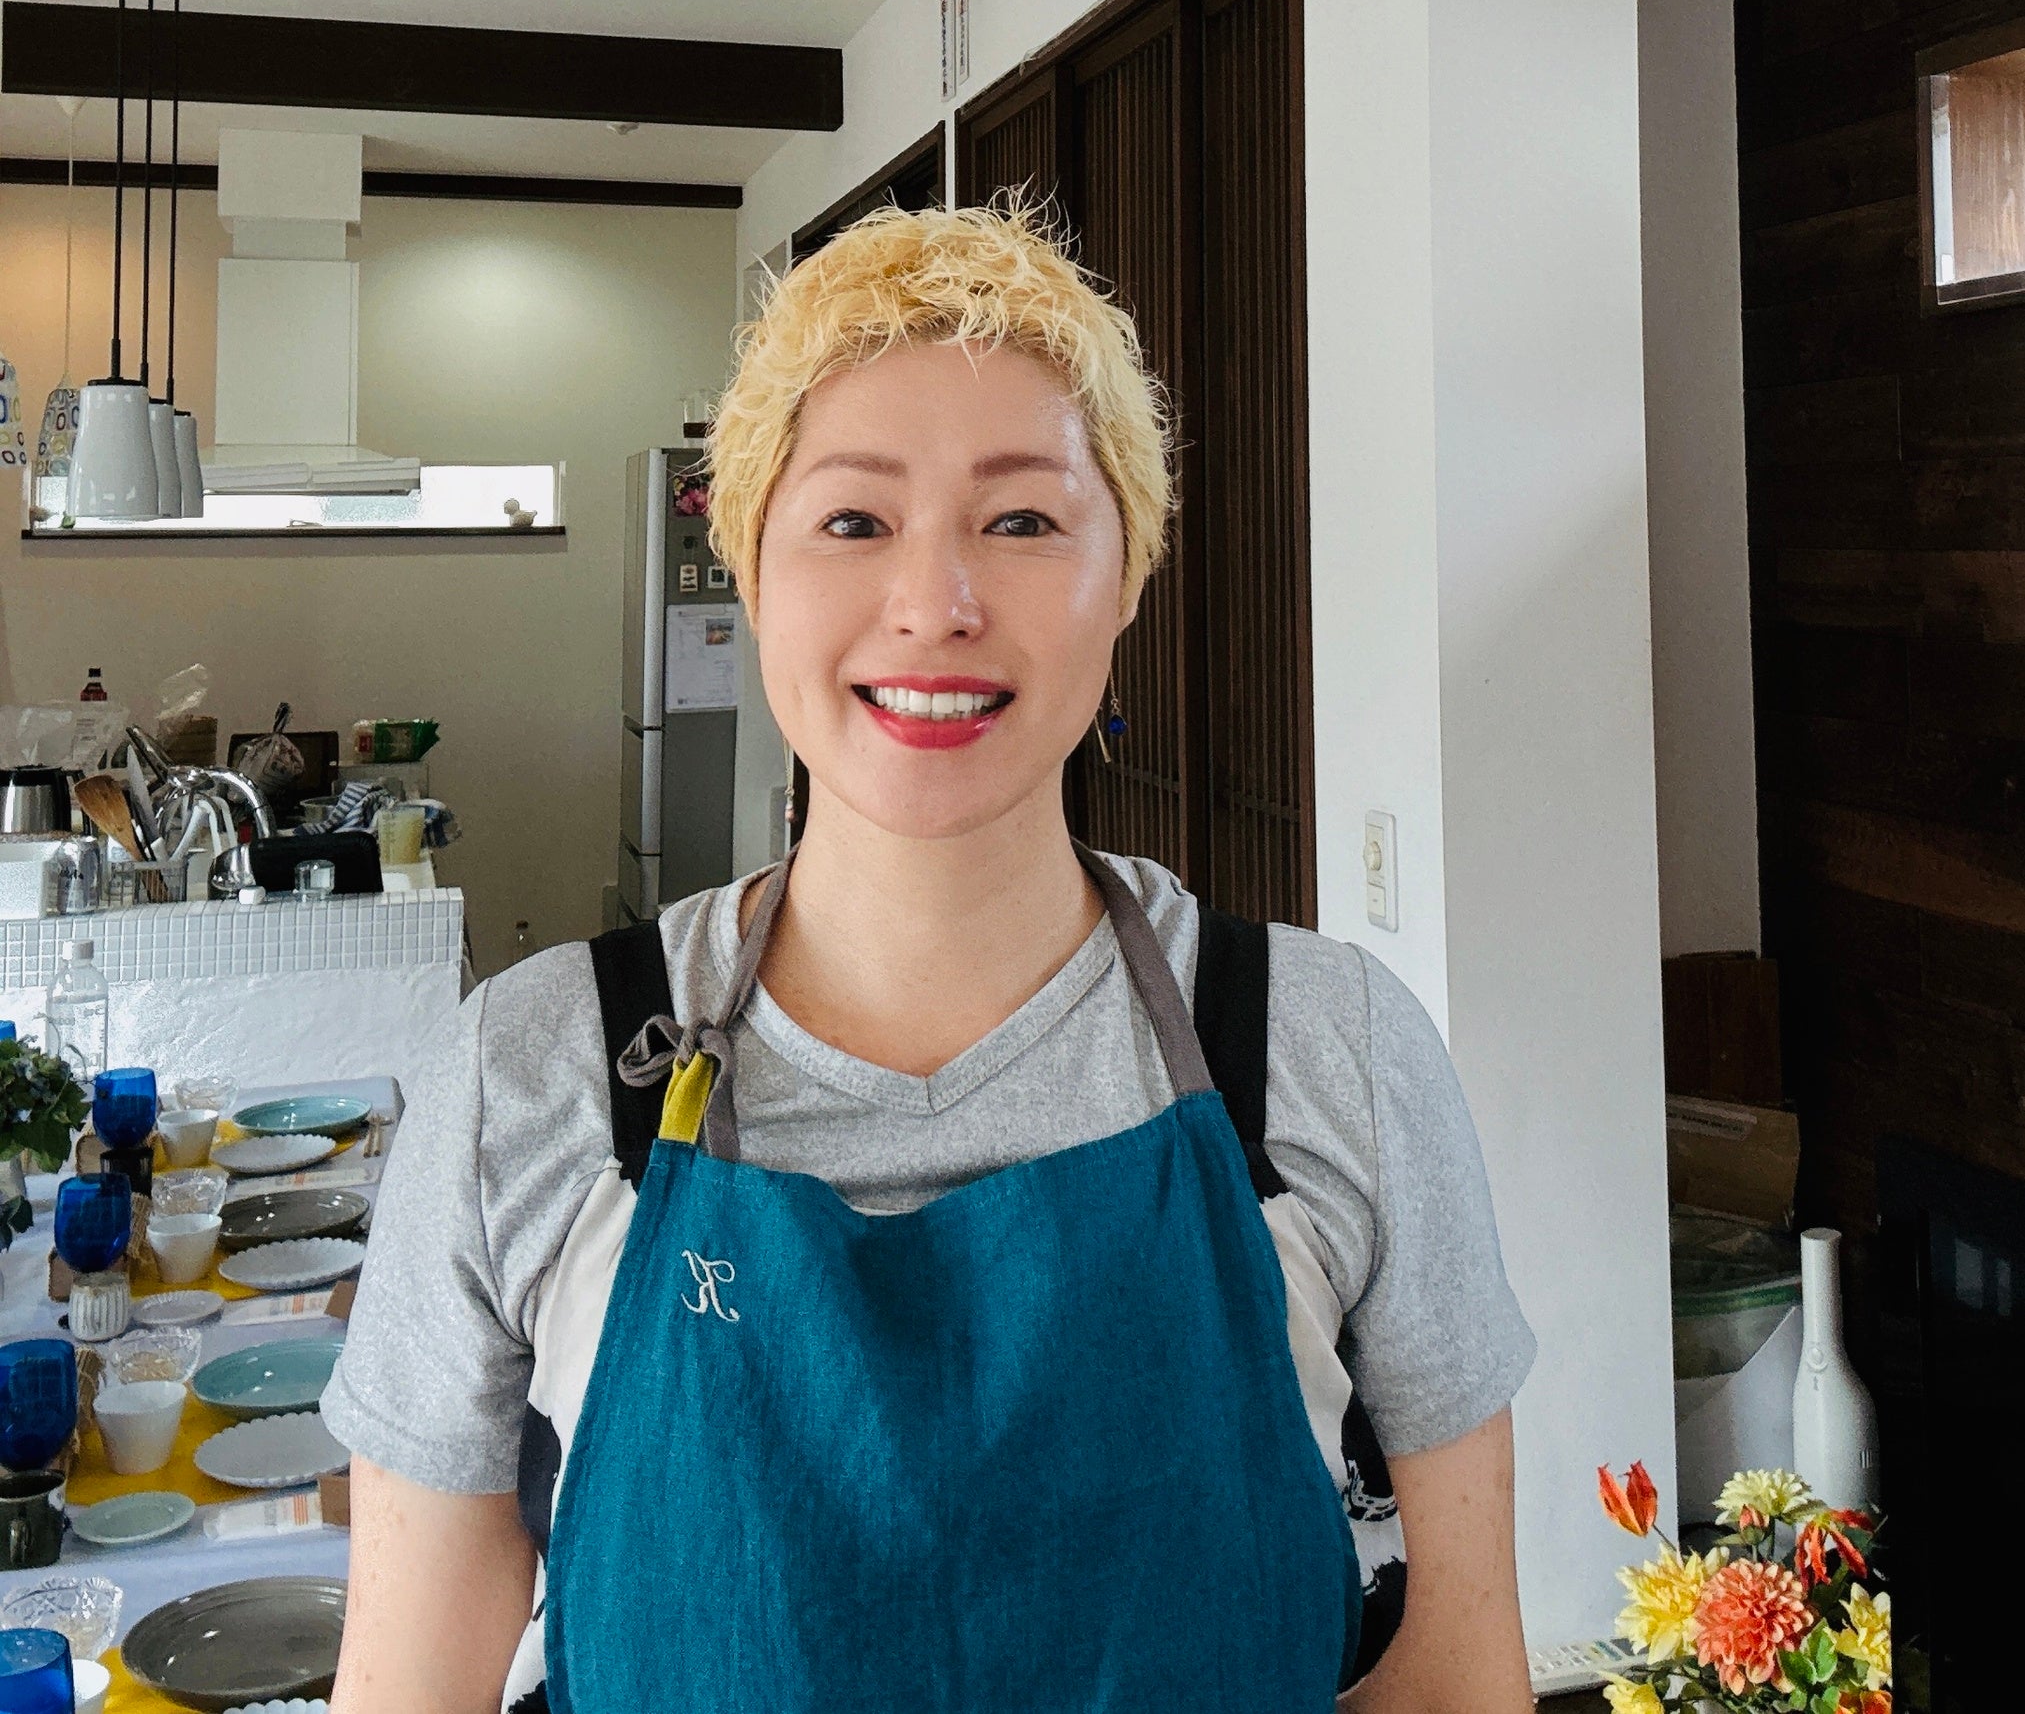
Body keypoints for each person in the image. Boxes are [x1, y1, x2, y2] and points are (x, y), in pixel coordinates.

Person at [325, 203, 1536, 1714]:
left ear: (1127, 574)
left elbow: (1458, 1678)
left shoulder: (1324, 1047)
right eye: (853, 521)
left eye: (1022, 521)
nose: (935, 607)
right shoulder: (528, 1073)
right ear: (751, 565)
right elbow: (411, 1688)